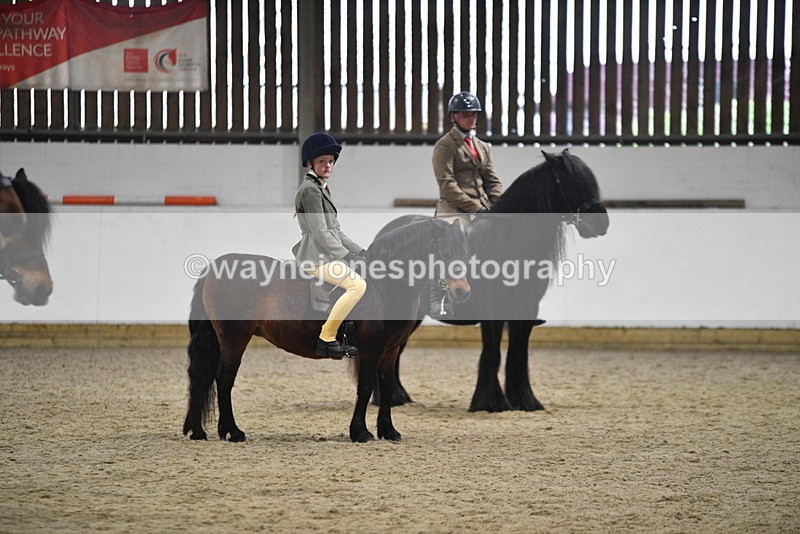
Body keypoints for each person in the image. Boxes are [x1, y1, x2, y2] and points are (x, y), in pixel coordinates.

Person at [429, 91, 504, 318]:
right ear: (454, 116)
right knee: (453, 242)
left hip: (482, 207)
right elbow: (447, 184)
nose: (470, 118)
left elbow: (492, 180)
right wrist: (477, 208)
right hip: (454, 208)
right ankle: (437, 294)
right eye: (465, 114)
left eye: (473, 114)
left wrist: (500, 205)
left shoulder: (482, 146)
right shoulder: (445, 145)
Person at [293, 132, 367, 358]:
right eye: (322, 161)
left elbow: (336, 230)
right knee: (357, 286)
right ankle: (326, 337)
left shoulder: (321, 188)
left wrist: (360, 251)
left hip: (326, 254)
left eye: (330, 161)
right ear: (311, 163)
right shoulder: (309, 189)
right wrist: (346, 257)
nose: (327, 165)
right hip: (314, 256)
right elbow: (320, 232)